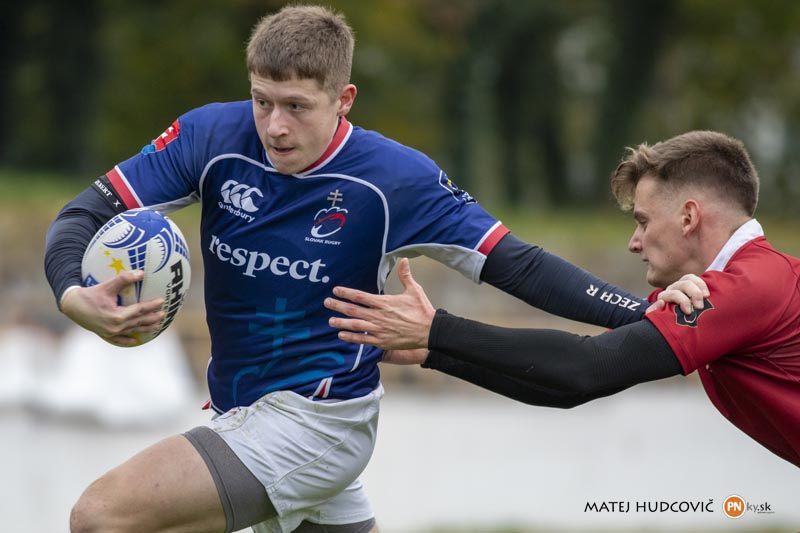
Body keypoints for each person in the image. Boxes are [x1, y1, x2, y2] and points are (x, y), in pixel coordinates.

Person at [42, 5, 672, 532]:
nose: (275, 126)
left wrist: (648, 315)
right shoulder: (210, 138)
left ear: (343, 100)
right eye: (262, 101)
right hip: (239, 411)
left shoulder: (395, 179)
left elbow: (523, 267)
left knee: (101, 517)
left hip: (318, 422)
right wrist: (73, 292)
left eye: (297, 106)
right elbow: (83, 214)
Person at [325, 130, 800, 469]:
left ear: (689, 216)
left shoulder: (749, 286)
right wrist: (435, 353)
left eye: (641, 221)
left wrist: (439, 330)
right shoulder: (734, 286)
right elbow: (563, 390)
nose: (634, 243)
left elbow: (582, 370)